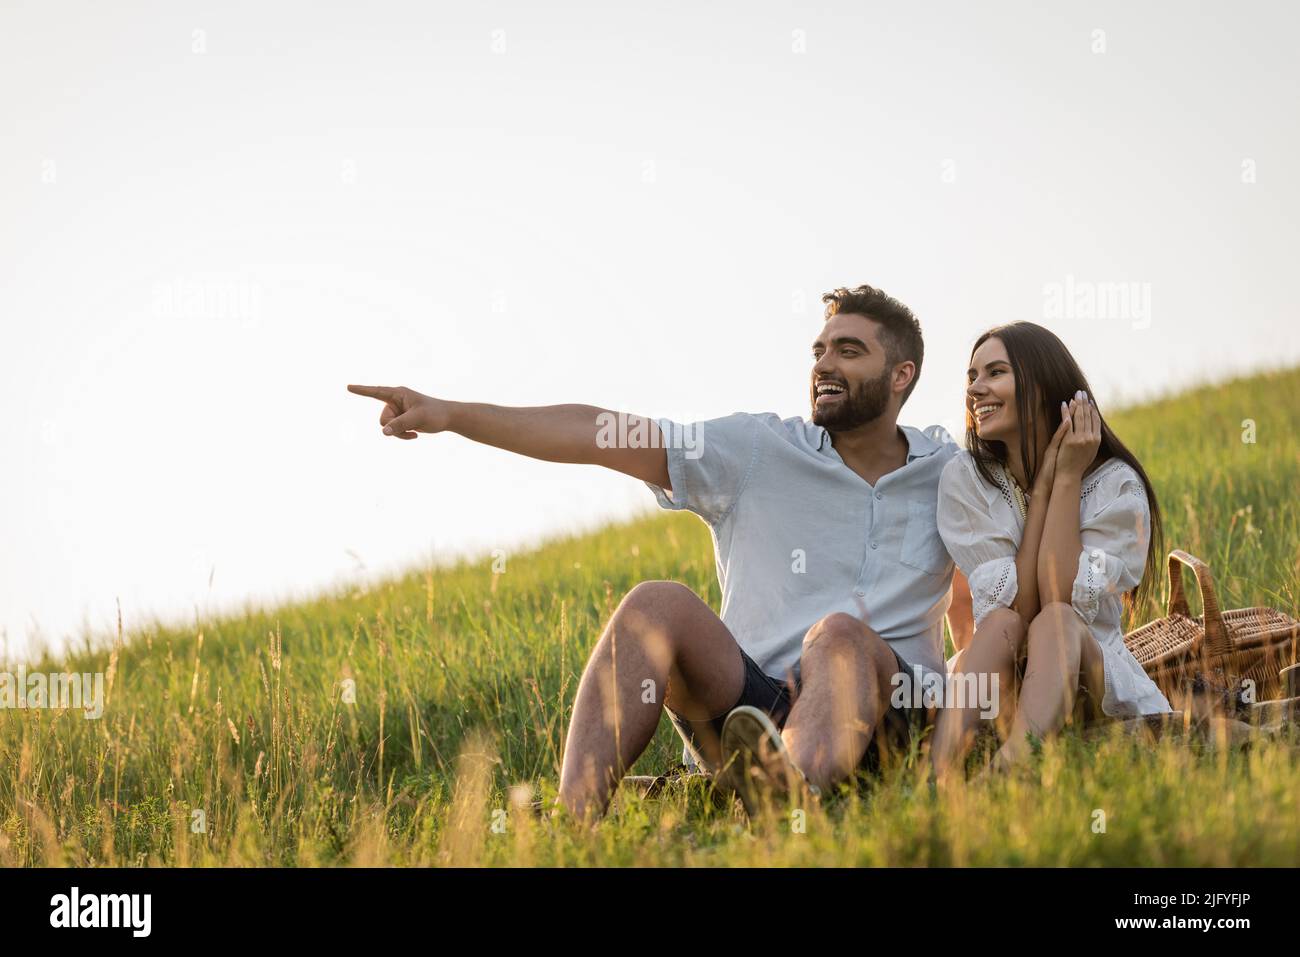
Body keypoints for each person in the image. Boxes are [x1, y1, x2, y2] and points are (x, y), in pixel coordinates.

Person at [348, 284, 970, 820]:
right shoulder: (758, 450)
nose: (824, 363)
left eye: (849, 351)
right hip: (755, 718)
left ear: (901, 375)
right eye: (819, 350)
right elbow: (599, 432)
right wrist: (454, 413)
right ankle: (577, 822)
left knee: (840, 634)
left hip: (891, 719)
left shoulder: (950, 471)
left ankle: (788, 800)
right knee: (656, 605)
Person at [930, 322, 1171, 782]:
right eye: (972, 377)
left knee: (1058, 620)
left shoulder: (1115, 484)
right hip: (1001, 678)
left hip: (1087, 676)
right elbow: (1017, 609)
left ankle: (1017, 765)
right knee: (1000, 621)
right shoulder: (966, 479)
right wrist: (1040, 493)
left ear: (1040, 385)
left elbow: (1058, 596)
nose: (976, 389)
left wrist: (1065, 479)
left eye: (995, 373)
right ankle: (935, 780)